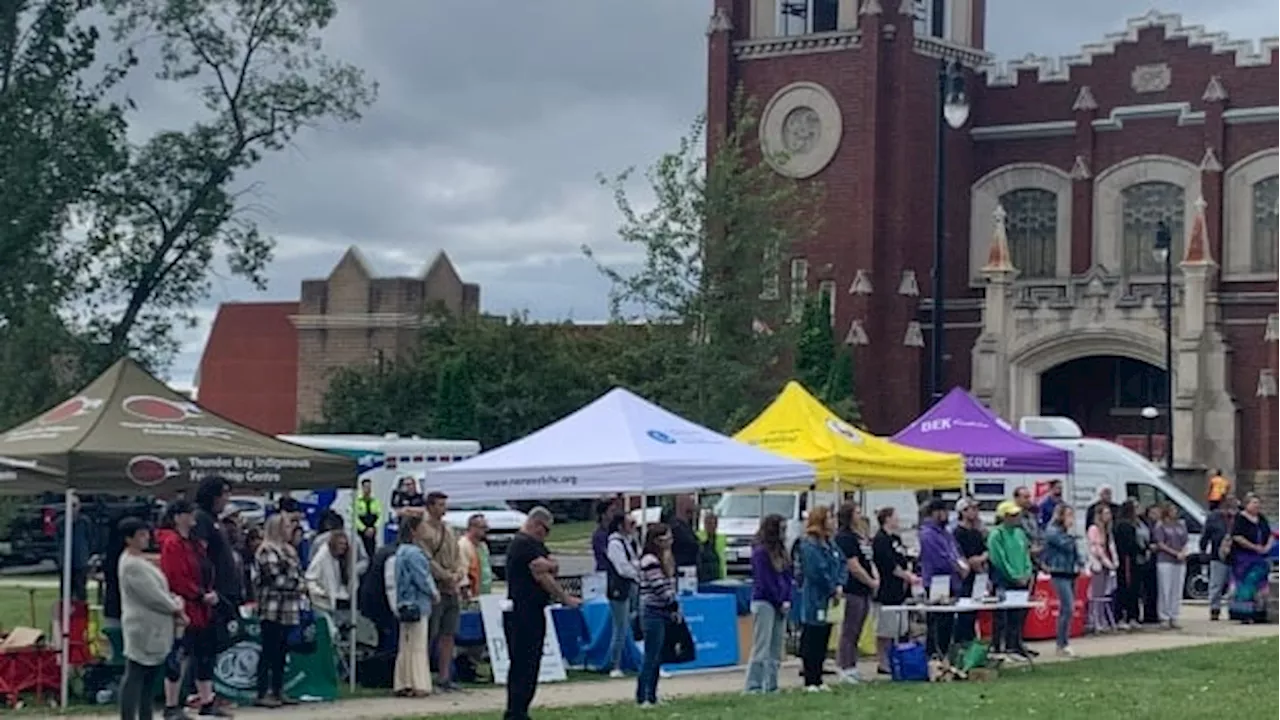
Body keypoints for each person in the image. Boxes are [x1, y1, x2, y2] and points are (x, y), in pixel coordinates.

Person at [503, 507, 579, 720]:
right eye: (546, 530)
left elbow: (552, 565)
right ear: (536, 524)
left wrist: (551, 566)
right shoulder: (523, 544)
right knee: (523, 662)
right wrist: (564, 598)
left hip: (534, 609)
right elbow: (541, 573)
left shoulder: (535, 545)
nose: (546, 535)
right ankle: (516, 711)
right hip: (523, 610)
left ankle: (521, 709)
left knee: (532, 662)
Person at [157, 501, 223, 719]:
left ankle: (207, 700)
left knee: (204, 655)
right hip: (184, 606)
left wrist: (210, 592)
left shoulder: (195, 544)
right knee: (179, 655)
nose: (193, 517)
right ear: (177, 517)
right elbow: (175, 576)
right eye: (188, 513)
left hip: (203, 607)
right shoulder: (172, 543)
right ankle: (172, 705)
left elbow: (206, 569)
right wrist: (198, 594)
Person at [119, 517, 185, 720]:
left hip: (154, 625)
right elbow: (153, 596)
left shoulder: (140, 561)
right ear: (128, 539)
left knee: (149, 677)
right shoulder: (131, 565)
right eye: (140, 535)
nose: (146, 538)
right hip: (142, 626)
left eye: (146, 534)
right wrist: (175, 607)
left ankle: (145, 715)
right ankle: (129, 715)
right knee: (136, 674)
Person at [254, 513, 307, 708]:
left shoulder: (290, 551)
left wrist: (300, 583)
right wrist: (298, 585)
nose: (290, 530)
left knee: (282, 652)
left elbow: (299, 573)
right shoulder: (267, 551)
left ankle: (278, 690)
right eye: (286, 526)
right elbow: (274, 579)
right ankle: (261, 692)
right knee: (269, 650)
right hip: (272, 608)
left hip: (289, 608)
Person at [796, 506, 844, 691]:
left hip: (831, 598)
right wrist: (832, 587)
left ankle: (819, 678)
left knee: (824, 635)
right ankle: (810, 679)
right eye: (830, 518)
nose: (833, 521)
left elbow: (841, 562)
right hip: (815, 598)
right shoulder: (809, 545)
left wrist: (840, 583)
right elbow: (816, 571)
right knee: (812, 637)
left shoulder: (831, 544)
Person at [421, 491, 465, 692]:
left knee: (449, 634)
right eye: (439, 505)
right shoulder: (423, 530)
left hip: (451, 589)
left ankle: (444, 676)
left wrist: (457, 575)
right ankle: (423, 675)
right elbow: (427, 559)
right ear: (430, 507)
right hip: (435, 588)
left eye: (444, 504)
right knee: (431, 633)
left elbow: (458, 555)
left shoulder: (449, 529)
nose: (443, 509)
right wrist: (445, 576)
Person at [744, 514, 792, 694]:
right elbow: (764, 581)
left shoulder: (782, 551)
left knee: (776, 645)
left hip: (781, 602)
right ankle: (753, 685)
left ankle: (771, 685)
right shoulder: (760, 552)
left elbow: (787, 577)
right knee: (762, 645)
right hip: (764, 601)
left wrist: (787, 598)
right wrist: (779, 600)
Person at [394, 515, 439, 697]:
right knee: (418, 644)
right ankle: (419, 682)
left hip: (404, 602)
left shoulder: (400, 551)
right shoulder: (414, 553)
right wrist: (434, 593)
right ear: (414, 531)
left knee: (405, 644)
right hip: (418, 603)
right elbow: (422, 578)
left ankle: (403, 681)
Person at [833, 503, 876, 683]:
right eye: (857, 513)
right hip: (853, 588)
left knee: (858, 628)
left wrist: (875, 577)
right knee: (849, 630)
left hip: (865, 589)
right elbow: (853, 565)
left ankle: (853, 664)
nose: (860, 516)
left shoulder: (861, 537)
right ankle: (845, 666)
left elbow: (868, 559)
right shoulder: (845, 538)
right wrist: (869, 580)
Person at [636, 522, 679, 706]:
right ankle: (642, 695)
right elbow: (659, 586)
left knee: (657, 656)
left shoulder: (664, 559)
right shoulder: (649, 561)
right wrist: (672, 603)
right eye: (666, 538)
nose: (670, 541)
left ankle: (652, 695)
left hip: (662, 611)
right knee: (650, 655)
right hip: (652, 611)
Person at [871, 507, 916, 675]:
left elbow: (902, 559)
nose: (898, 520)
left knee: (899, 628)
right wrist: (906, 576)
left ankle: (894, 658)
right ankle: (882, 661)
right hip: (886, 589)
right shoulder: (880, 540)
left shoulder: (896, 539)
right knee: (885, 629)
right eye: (895, 517)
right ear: (887, 519)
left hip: (900, 590)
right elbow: (889, 565)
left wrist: (908, 573)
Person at [919, 499, 966, 658]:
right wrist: (958, 568)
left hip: (952, 582)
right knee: (937, 622)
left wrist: (963, 565)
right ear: (935, 513)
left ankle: (945, 654)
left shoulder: (946, 533)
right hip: (936, 583)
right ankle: (933, 655)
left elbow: (956, 552)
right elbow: (940, 560)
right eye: (944, 511)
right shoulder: (927, 534)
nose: (947, 515)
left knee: (948, 622)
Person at [988, 500, 1034, 657]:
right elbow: (999, 560)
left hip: (1022, 579)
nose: (1016, 517)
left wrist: (1027, 572)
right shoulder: (996, 535)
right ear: (1003, 516)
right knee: (1002, 616)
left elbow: (1026, 555)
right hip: (1004, 580)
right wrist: (1014, 576)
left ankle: (1015, 644)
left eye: (1016, 514)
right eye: (1012, 515)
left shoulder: (1020, 533)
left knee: (1018, 614)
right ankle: (999, 647)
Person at [193, 477, 241, 608]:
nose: (227, 498)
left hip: (227, 591)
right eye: (224, 493)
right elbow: (200, 555)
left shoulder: (215, 519)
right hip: (215, 593)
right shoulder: (201, 518)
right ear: (212, 495)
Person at [1041, 505, 1082, 657]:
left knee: (1067, 609)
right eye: (1069, 515)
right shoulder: (1053, 530)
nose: (1072, 519)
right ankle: (1061, 643)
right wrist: (1072, 536)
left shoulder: (1066, 532)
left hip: (1070, 571)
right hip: (1058, 572)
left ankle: (1064, 641)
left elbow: (1076, 550)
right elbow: (1066, 545)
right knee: (1068, 607)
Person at [603, 512, 640, 678]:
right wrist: (637, 573)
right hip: (619, 587)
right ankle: (615, 664)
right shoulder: (615, 543)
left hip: (630, 586)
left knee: (629, 623)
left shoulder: (629, 542)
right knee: (620, 627)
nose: (633, 527)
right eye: (629, 524)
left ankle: (629, 659)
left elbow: (637, 558)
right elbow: (622, 568)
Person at [1229, 493, 1273, 623]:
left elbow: (1270, 534)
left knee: (1261, 585)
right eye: (1254, 503)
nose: (1257, 506)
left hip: (1260, 558)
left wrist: (1266, 547)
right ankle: (1245, 614)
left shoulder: (1261, 518)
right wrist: (1254, 547)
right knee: (1246, 585)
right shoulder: (1240, 519)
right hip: (1244, 558)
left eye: (1258, 503)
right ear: (1246, 504)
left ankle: (1260, 614)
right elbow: (1237, 536)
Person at [952, 498, 988, 644]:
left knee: (974, 610)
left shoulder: (977, 532)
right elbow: (963, 557)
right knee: (964, 612)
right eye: (972, 509)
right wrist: (974, 560)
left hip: (978, 575)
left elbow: (985, 551)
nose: (975, 512)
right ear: (963, 512)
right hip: (964, 578)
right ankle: (961, 641)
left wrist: (980, 559)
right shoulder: (957, 533)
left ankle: (971, 640)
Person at [306, 529, 353, 636]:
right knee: (330, 632)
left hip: (334, 602)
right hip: (320, 603)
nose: (343, 547)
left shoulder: (340, 559)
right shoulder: (322, 556)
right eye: (341, 543)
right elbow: (310, 578)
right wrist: (321, 592)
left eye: (345, 544)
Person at [1153, 503, 1190, 629]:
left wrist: (1183, 552)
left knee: (1177, 589)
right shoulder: (1161, 525)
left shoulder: (1180, 525)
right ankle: (1164, 616)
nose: (1175, 512)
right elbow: (1160, 543)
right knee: (1165, 589)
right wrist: (1175, 553)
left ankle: (1174, 615)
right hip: (1165, 560)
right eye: (1172, 510)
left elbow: (1185, 541)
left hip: (1180, 561)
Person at [1201, 496, 1238, 620]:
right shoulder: (1213, 518)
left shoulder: (1238, 518)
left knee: (1233, 586)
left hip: (1235, 556)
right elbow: (1205, 535)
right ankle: (1215, 608)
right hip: (1218, 556)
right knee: (1216, 584)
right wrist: (1203, 550)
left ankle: (1233, 609)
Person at [1113, 500, 1146, 629]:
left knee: (1134, 588)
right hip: (1127, 560)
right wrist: (1142, 549)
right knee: (1127, 587)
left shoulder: (1134, 524)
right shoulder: (1125, 526)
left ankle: (1133, 616)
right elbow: (1130, 544)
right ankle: (1124, 616)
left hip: (1132, 560)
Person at [1086, 503, 1118, 633]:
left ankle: (1102, 617)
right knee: (1096, 593)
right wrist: (1107, 562)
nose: (1108, 516)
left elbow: (1111, 546)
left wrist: (1114, 561)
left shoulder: (1108, 530)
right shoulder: (1093, 529)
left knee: (1105, 592)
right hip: (1097, 565)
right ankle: (1095, 619)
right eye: (1105, 514)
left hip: (1107, 565)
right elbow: (1096, 549)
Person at [57, 492, 91, 602]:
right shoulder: (61, 522)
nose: (72, 508)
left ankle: (81, 614)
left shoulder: (85, 521)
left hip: (80, 561)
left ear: (79, 506)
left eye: (74, 505)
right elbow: (57, 538)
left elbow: (91, 538)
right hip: (65, 561)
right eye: (70, 505)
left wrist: (87, 553)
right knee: (65, 591)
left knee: (81, 590)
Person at [457, 513, 493, 601]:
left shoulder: (483, 546)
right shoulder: (463, 545)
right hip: (471, 594)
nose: (486, 530)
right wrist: (465, 591)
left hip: (484, 593)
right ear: (472, 528)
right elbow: (462, 570)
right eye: (483, 527)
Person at [1139, 504, 1162, 624]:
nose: (1156, 515)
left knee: (1155, 589)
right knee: (1148, 589)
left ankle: (1154, 613)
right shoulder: (1146, 525)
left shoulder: (1160, 525)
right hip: (1148, 559)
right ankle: (1148, 614)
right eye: (1153, 513)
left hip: (1157, 558)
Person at [668, 495, 700, 570]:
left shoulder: (687, 526)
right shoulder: (675, 527)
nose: (693, 504)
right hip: (682, 569)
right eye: (690, 500)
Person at [355, 478, 383, 558]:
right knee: (361, 551)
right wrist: (364, 529)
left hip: (372, 529)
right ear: (362, 488)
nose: (368, 489)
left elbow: (380, 515)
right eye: (366, 487)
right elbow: (354, 517)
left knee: (372, 551)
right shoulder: (357, 501)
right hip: (362, 530)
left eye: (369, 487)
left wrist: (374, 527)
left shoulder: (375, 500)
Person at [696, 512, 726, 583]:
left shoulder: (721, 538)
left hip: (717, 574)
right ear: (705, 524)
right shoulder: (698, 537)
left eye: (714, 523)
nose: (712, 526)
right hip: (704, 574)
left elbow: (722, 558)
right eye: (709, 523)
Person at [591, 498, 617, 573]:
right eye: (612, 511)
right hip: (604, 572)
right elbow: (608, 554)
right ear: (603, 515)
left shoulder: (613, 531)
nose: (614, 514)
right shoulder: (599, 535)